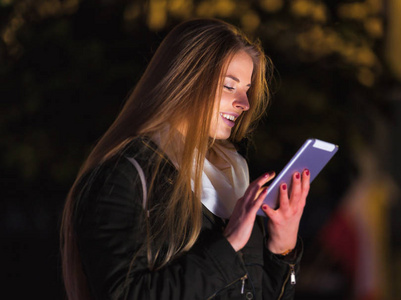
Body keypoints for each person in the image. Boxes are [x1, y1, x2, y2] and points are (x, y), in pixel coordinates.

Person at [60, 18, 310, 300]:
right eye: (229, 87)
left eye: (246, 90)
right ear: (187, 79)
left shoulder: (232, 174)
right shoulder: (124, 174)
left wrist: (282, 248)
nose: (245, 104)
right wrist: (227, 246)